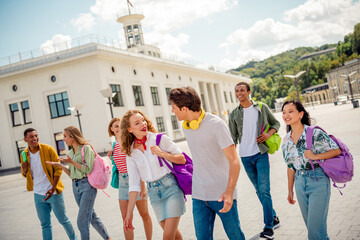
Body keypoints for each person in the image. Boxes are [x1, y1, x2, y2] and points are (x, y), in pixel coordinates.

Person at [169, 87, 245, 240]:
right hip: (199, 194)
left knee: (235, 235)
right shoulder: (188, 127)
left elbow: (234, 161)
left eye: (174, 108)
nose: (172, 111)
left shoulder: (217, 125)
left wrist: (229, 192)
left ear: (184, 108)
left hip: (221, 194)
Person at [121, 110, 186, 240]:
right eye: (137, 123)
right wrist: (129, 214)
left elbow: (182, 159)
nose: (143, 124)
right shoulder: (131, 152)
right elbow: (134, 185)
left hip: (171, 189)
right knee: (175, 236)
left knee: (167, 236)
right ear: (129, 129)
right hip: (154, 195)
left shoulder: (160, 139)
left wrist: (163, 154)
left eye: (143, 120)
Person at [281, 101, 341, 240]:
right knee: (315, 230)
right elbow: (290, 166)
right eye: (284, 112)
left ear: (301, 114)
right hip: (300, 183)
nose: (286, 115)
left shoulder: (315, 133)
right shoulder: (285, 140)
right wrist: (290, 190)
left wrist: (316, 156)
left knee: (314, 231)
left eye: (291, 111)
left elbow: (336, 150)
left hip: (318, 180)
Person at [228, 82, 280, 239]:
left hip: (261, 154)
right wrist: (231, 159)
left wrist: (268, 134)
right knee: (259, 190)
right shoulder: (233, 114)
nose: (239, 93)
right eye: (236, 91)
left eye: (242, 90)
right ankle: (274, 218)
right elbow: (232, 139)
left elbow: (276, 123)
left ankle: (269, 227)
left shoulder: (261, 107)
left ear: (248, 92)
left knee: (264, 190)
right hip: (245, 157)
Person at [47, 126, 111, 240]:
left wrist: (71, 162)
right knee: (91, 216)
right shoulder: (71, 152)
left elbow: (87, 169)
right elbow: (72, 174)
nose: (63, 139)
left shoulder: (86, 149)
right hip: (75, 186)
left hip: (87, 186)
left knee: (82, 221)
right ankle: (108, 238)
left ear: (72, 136)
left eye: (65, 136)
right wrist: (61, 166)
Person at [20, 128, 77, 240]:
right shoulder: (24, 154)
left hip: (54, 192)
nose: (35, 138)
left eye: (36, 135)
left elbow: (58, 170)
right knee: (45, 225)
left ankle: (74, 238)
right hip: (38, 194)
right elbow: (25, 174)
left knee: (63, 220)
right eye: (31, 136)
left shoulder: (48, 149)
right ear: (25, 139)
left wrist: (52, 188)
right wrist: (24, 169)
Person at [107, 118, 153, 240]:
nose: (118, 129)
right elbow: (117, 165)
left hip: (136, 181)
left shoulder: (129, 142)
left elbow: (138, 164)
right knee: (125, 218)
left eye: (120, 126)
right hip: (122, 182)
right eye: (116, 126)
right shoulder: (114, 145)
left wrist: (142, 185)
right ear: (111, 129)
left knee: (144, 214)